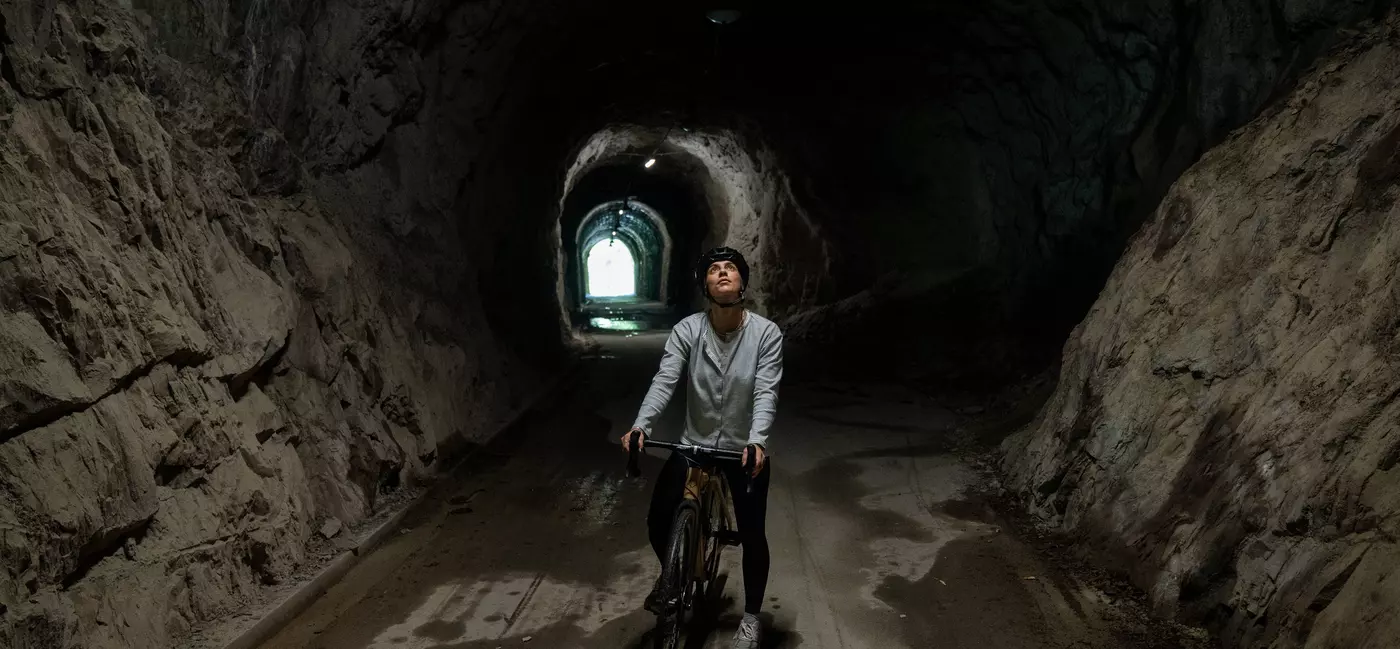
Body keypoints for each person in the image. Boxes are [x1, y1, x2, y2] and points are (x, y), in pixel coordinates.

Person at [620, 246, 783, 649]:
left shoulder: (766, 333)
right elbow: (665, 380)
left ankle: (750, 618)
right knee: (659, 518)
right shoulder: (688, 330)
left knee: (752, 534)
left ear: (743, 281)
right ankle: (672, 578)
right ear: (704, 285)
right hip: (694, 443)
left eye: (731, 268)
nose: (723, 273)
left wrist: (757, 441)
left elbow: (766, 391)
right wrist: (642, 424)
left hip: (741, 450)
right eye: (714, 269)